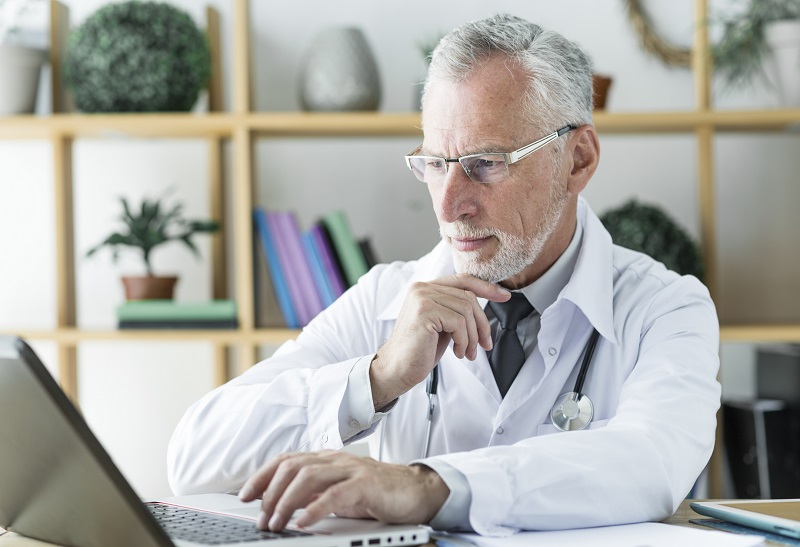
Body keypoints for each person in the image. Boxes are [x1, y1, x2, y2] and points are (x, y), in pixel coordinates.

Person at [167, 13, 720, 537]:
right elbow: (194, 459)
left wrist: (426, 487)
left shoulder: (665, 308)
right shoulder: (385, 299)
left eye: (486, 164)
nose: (450, 205)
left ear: (578, 160)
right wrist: (377, 379)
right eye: (435, 164)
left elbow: (652, 461)